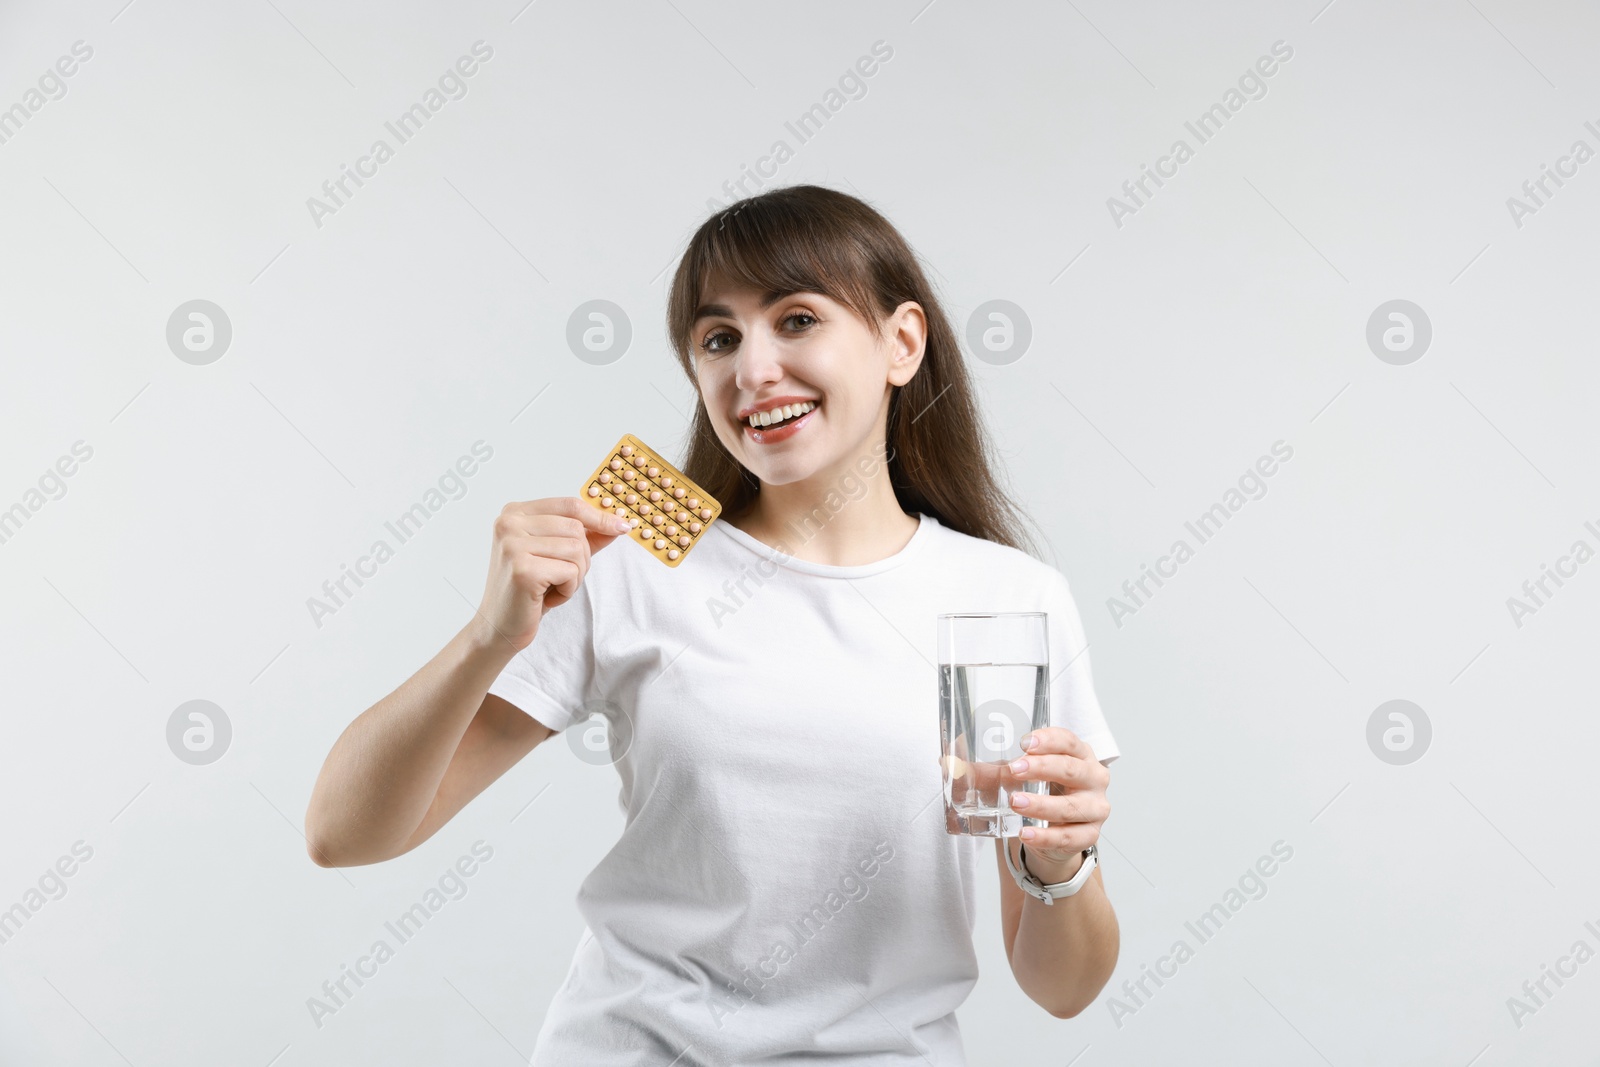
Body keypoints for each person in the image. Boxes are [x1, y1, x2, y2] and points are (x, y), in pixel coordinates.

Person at [305, 184, 1121, 1064]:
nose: (752, 369)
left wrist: (1056, 864)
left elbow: (1063, 989)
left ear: (901, 342)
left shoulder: (1009, 598)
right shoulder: (635, 559)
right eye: (718, 338)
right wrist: (486, 638)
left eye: (797, 320)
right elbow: (342, 833)